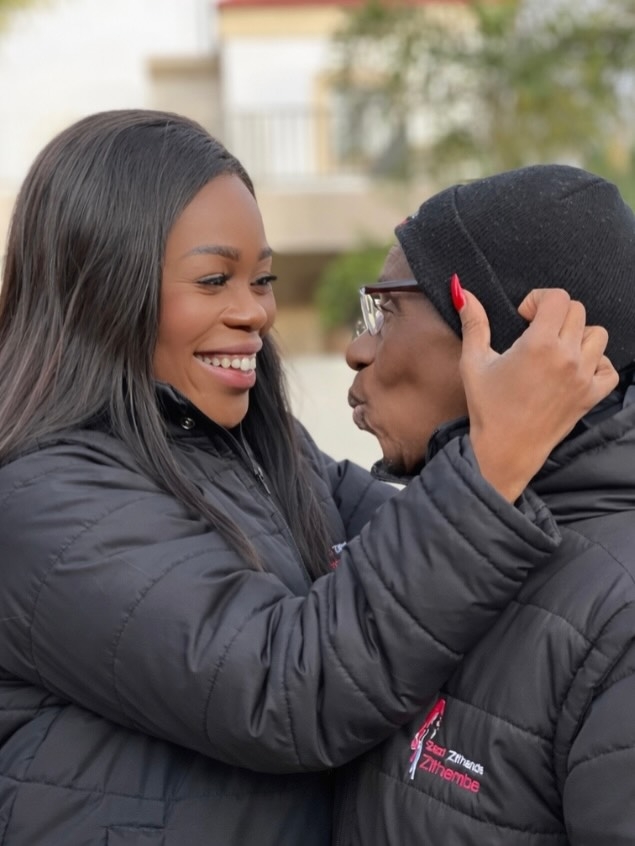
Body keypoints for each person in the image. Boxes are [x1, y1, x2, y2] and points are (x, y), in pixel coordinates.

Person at [0, 111, 615, 846]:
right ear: (102, 289)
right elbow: (284, 689)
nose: (256, 310)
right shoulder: (41, 501)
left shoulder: (263, 456)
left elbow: (411, 555)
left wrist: (564, 450)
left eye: (262, 280)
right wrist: (493, 458)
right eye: (213, 279)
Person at [340, 162, 635, 846]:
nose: (357, 350)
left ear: (512, 344)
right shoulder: (426, 543)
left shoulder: (617, 615)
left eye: (385, 309)